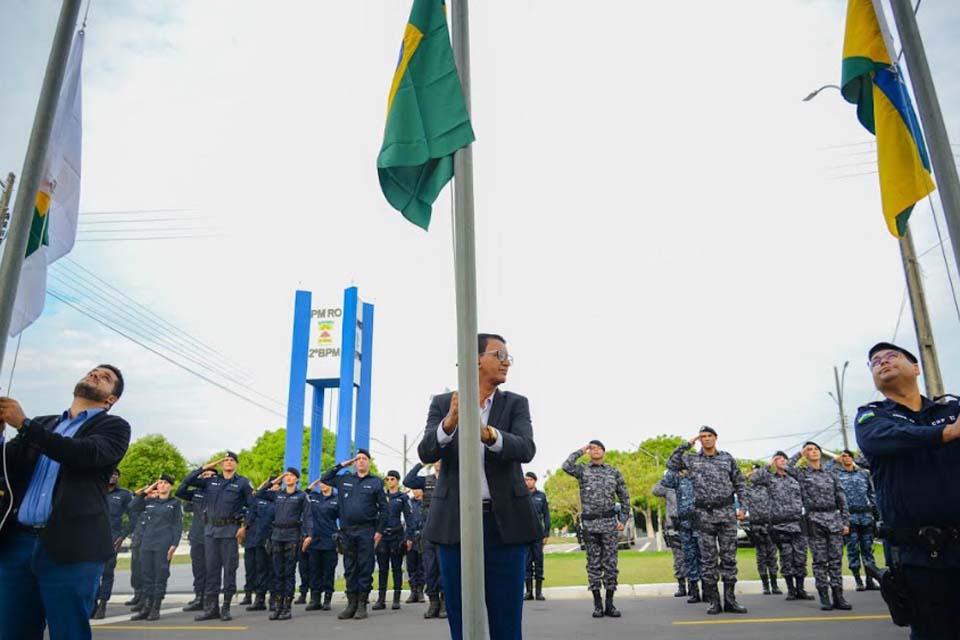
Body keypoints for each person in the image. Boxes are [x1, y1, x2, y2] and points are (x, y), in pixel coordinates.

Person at [418, 333, 539, 640]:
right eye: (500, 355)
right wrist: (451, 421)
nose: (507, 362)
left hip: (505, 526)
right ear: (476, 360)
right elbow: (426, 451)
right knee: (461, 619)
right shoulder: (444, 403)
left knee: (507, 622)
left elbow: (526, 448)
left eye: (508, 356)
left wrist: (488, 434)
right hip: (455, 525)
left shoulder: (515, 404)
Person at [0, 365, 130, 640]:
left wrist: (24, 425)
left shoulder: (113, 427)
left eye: (106, 378)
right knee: (11, 630)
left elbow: (85, 454)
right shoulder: (43, 423)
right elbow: (7, 467)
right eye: (93, 371)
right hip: (18, 543)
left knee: (68, 632)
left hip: (72, 548)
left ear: (111, 399)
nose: (95, 375)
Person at [854, 342, 960, 639]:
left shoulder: (952, 408)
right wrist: (947, 432)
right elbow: (885, 438)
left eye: (891, 356)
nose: (882, 362)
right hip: (919, 554)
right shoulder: (871, 417)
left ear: (916, 367)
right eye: (875, 362)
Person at [667, 426, 748, 615]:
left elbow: (740, 483)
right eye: (702, 437)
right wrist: (687, 444)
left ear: (716, 438)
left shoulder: (727, 458)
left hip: (726, 513)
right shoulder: (691, 459)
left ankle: (730, 599)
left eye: (709, 436)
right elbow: (671, 464)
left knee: (729, 558)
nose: (706, 439)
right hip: (703, 516)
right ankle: (714, 601)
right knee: (708, 560)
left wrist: (742, 507)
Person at [180, 452, 253, 622]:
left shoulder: (242, 483)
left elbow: (252, 506)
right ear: (221, 464)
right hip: (211, 531)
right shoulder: (211, 481)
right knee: (211, 570)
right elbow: (187, 482)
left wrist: (244, 527)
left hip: (229, 531)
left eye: (231, 460)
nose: (228, 462)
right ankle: (211, 608)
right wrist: (205, 467)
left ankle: (226, 608)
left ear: (236, 464)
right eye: (225, 460)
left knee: (229, 570)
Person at [563, 440, 631, 618]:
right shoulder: (582, 470)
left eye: (597, 448)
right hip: (590, 525)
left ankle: (610, 603)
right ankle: (597, 604)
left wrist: (623, 519)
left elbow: (624, 497)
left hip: (609, 524)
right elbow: (566, 466)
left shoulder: (613, 472)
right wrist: (581, 450)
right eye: (591, 448)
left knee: (610, 564)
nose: (594, 450)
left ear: (604, 452)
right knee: (593, 565)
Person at [320, 449, 387, 621]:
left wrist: (379, 531)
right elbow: (325, 478)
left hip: (367, 531)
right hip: (347, 531)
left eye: (364, 459)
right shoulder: (344, 479)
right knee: (350, 568)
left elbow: (384, 509)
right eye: (358, 459)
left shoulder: (376, 482)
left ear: (369, 462)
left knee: (365, 568)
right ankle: (351, 604)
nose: (361, 461)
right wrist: (343, 464)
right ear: (354, 463)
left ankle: (362, 605)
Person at [786, 442, 851, 611]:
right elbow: (786, 467)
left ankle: (839, 596)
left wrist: (845, 521)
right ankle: (824, 597)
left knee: (836, 560)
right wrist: (799, 454)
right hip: (814, 519)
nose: (813, 452)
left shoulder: (831, 473)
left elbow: (841, 497)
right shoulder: (801, 473)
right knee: (820, 561)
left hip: (833, 519)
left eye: (816, 449)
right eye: (809, 449)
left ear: (820, 453)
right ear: (805, 454)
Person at [751, 451, 814, 602]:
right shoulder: (770, 479)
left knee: (800, 557)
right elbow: (754, 478)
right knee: (786, 557)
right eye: (778, 459)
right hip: (780, 524)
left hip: (798, 522)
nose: (782, 461)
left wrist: (798, 456)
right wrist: (769, 465)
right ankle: (791, 589)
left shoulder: (795, 478)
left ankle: (800, 589)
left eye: (784, 458)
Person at [257, 467, 312, 621]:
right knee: (277, 572)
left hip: (293, 535)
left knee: (288, 572)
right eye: (286, 476)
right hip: (276, 536)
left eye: (291, 476)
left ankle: (286, 608)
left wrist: (309, 535)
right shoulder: (277, 494)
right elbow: (260, 494)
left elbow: (308, 516)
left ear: (297, 479)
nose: (288, 478)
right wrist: (275, 480)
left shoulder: (302, 496)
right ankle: (278, 605)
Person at [129, 475, 182, 622]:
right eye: (160, 483)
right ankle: (145, 607)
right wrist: (149, 489)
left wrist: (174, 544)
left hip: (163, 544)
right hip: (147, 543)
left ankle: (155, 608)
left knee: (160, 575)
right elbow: (132, 506)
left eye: (165, 483)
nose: (162, 486)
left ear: (170, 486)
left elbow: (177, 525)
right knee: (146, 575)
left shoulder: (175, 503)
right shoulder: (150, 501)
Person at [829, 449, 879, 592]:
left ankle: (870, 579)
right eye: (844, 457)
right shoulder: (837, 475)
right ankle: (858, 580)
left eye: (849, 456)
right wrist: (835, 459)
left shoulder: (864, 474)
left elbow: (871, 494)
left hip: (866, 516)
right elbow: (825, 470)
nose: (847, 459)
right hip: (849, 517)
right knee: (853, 549)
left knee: (868, 550)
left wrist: (876, 515)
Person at [404, 461, 446, 619]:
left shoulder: (452, 478)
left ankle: (444, 603)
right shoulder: (426, 480)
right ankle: (433, 602)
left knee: (444, 568)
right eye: (436, 460)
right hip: (428, 531)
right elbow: (408, 481)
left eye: (441, 460)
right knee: (429, 568)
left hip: (446, 531)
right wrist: (421, 463)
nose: (438, 463)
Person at [654, 469, 703, 603]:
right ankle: (682, 586)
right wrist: (669, 475)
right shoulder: (668, 488)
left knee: (698, 556)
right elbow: (655, 490)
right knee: (679, 558)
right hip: (674, 526)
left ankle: (699, 588)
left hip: (693, 523)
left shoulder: (690, 483)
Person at [92, 468, 132, 619]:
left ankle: (102, 605)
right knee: (92, 571)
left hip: (112, 538)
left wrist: (122, 535)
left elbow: (134, 516)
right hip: (93, 537)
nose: (113, 476)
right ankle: (92, 603)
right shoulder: (95, 491)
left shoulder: (124, 494)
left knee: (107, 572)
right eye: (110, 473)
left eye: (116, 474)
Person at [175, 469, 213, 612]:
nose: (206, 478)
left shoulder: (218, 492)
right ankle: (199, 597)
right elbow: (180, 490)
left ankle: (209, 598)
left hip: (212, 534)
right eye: (204, 476)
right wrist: (200, 470)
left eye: (210, 475)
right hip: (197, 534)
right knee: (198, 568)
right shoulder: (196, 493)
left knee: (211, 569)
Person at [373, 470, 411, 611]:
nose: (390, 482)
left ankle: (396, 598)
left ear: (397, 481)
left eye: (392, 479)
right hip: (383, 536)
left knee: (396, 568)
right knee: (382, 569)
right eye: (387, 479)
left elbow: (409, 517)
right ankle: (381, 599)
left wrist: (409, 537)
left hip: (396, 536)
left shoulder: (402, 497)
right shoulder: (381, 497)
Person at [744, 464, 781, 596]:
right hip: (756, 526)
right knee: (761, 556)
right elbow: (736, 483)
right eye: (754, 472)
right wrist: (746, 475)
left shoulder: (770, 487)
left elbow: (773, 477)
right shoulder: (748, 490)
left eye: (757, 472)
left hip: (770, 525)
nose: (755, 474)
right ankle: (765, 585)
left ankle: (775, 584)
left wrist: (766, 467)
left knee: (772, 556)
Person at [305, 477, 339, 611]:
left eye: (326, 482)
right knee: (314, 570)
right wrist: (313, 484)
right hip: (315, 539)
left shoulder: (337, 499)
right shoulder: (314, 497)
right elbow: (304, 494)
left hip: (329, 539)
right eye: (322, 483)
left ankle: (327, 599)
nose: (323, 485)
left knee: (328, 570)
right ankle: (315, 599)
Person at [242, 481, 276, 613]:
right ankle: (259, 599)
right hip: (259, 539)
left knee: (274, 570)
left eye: (276, 485)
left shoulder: (281, 498)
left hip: (275, 538)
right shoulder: (259, 500)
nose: (273, 488)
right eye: (272, 486)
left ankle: (273, 599)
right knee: (260, 570)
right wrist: (268, 483)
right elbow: (255, 497)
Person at [124, 483, 154, 612]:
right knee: (136, 572)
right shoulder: (140, 506)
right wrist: (142, 493)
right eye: (150, 492)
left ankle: (146, 599)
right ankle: (138, 594)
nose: (151, 494)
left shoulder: (159, 506)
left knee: (147, 572)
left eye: (154, 492)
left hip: (150, 544)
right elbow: (130, 506)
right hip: (137, 542)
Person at [523, 471, 550, 601]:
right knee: (526, 563)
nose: (527, 482)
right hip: (525, 534)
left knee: (539, 562)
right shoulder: (521, 496)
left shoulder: (541, 496)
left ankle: (539, 592)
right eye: (526, 480)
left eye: (530, 479)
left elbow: (546, 516)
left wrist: (546, 533)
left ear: (535, 481)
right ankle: (529, 592)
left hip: (538, 534)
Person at [405, 488, 425, 604]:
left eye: (418, 489)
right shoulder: (409, 502)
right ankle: (413, 591)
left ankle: (420, 590)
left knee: (422, 565)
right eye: (414, 489)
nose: (416, 491)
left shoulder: (426, 502)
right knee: (411, 565)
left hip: (423, 535)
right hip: (411, 536)